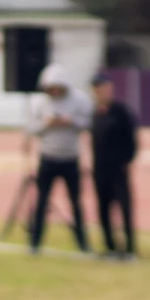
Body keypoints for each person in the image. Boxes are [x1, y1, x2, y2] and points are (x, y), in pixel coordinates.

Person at [25, 63, 92, 254]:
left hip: (71, 158)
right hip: (48, 157)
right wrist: (47, 123)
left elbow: (88, 123)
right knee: (41, 202)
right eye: (50, 88)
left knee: (76, 203)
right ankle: (35, 243)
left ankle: (82, 243)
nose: (54, 91)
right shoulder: (39, 103)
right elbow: (31, 129)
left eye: (58, 88)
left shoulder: (79, 100)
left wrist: (71, 121)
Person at [90, 73, 139, 260]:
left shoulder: (121, 112)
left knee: (125, 207)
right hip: (100, 170)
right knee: (103, 208)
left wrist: (127, 160)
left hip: (118, 168)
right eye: (98, 89)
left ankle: (130, 248)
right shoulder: (95, 113)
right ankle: (110, 246)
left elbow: (132, 140)